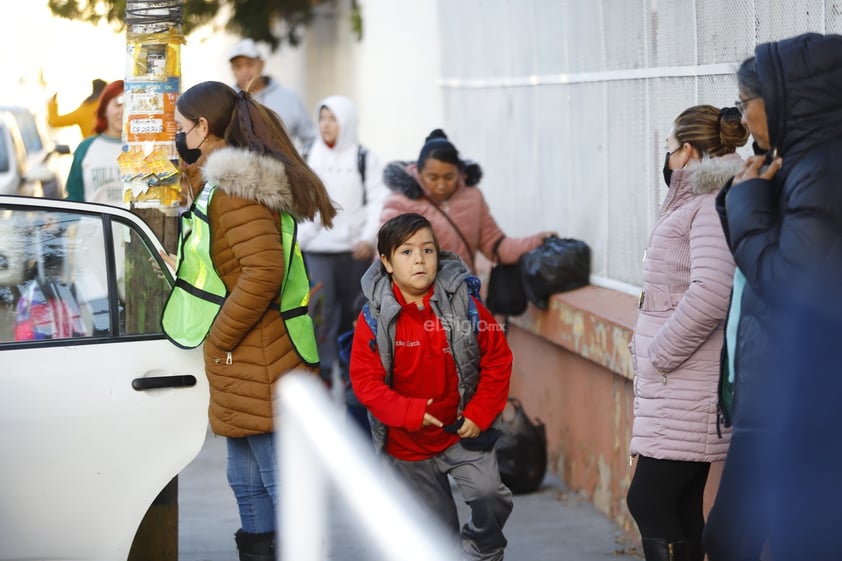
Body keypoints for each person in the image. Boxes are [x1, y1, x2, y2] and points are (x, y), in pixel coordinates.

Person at [169, 80, 336, 561]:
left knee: (277, 482)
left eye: (182, 129)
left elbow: (263, 274)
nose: (178, 139)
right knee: (245, 481)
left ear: (203, 128)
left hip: (260, 352)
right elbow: (230, 264)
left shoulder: (236, 189)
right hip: (246, 353)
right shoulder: (219, 184)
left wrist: (219, 337)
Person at [703, 32, 842, 561]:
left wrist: (746, 203)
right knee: (730, 538)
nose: (741, 119)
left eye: (744, 104)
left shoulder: (822, 172)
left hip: (800, 390)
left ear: (783, 99)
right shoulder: (798, 161)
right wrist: (740, 198)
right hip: (774, 387)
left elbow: (788, 282)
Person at [349, 212, 514, 561]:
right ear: (386, 262)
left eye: (427, 250)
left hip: (464, 430)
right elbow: (365, 382)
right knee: (435, 538)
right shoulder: (374, 318)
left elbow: (498, 359)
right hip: (408, 444)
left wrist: (480, 413)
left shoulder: (464, 305)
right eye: (406, 252)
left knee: (489, 496)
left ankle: (483, 551)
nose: (419, 260)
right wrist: (409, 412)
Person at [625, 104, 748, 561]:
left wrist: (658, 354)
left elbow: (712, 293)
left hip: (684, 378)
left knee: (649, 500)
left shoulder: (709, 204)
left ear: (689, 152)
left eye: (671, 149)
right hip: (678, 381)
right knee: (679, 506)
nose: (668, 159)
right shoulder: (700, 198)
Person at [298, 94, 388, 426]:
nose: (326, 125)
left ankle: (356, 387)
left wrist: (368, 238)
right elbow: (300, 201)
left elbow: (379, 199)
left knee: (357, 317)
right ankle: (321, 383)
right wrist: (300, 240)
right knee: (320, 317)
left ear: (346, 122)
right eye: (322, 118)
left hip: (355, 255)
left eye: (332, 119)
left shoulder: (365, 158)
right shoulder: (308, 155)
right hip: (317, 252)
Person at [380, 129, 553, 274]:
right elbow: (387, 257)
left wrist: (537, 241)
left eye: (448, 177)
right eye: (433, 177)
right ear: (418, 171)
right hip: (419, 304)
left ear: (460, 172)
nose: (441, 185)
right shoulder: (399, 203)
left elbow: (496, 245)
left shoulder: (473, 198)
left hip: (464, 297)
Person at [228, 38, 315, 156]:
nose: (245, 71)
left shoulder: (289, 98)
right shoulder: (227, 102)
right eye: (238, 67)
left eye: (250, 64)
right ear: (232, 70)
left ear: (262, 64)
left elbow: (310, 141)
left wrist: (297, 164)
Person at [64, 79, 125, 205]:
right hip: (93, 225)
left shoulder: (144, 148)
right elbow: (74, 198)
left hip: (134, 225)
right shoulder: (86, 148)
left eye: (130, 105)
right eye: (118, 104)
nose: (123, 111)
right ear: (104, 109)